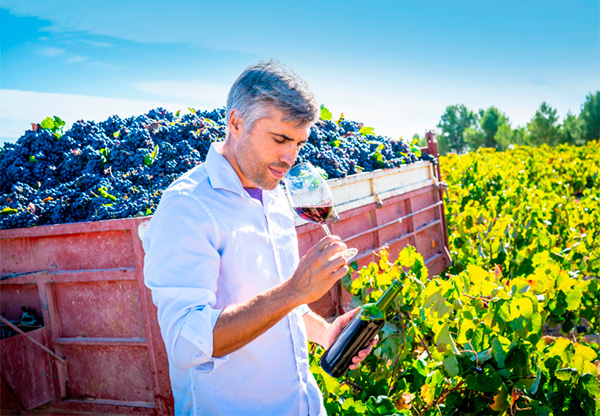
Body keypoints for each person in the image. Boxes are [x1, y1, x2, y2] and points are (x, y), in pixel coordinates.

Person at [142, 61, 377, 415]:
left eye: (299, 143)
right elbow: (186, 343)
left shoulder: (276, 194)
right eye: (280, 139)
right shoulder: (187, 207)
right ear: (236, 123)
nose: (289, 158)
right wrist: (294, 290)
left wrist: (325, 333)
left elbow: (273, 303)